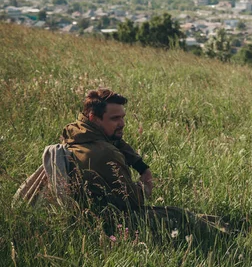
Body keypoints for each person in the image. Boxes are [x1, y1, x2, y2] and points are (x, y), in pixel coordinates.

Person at [62, 88, 226, 242]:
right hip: (114, 223)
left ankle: (227, 226)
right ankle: (229, 239)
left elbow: (116, 141)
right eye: (115, 118)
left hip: (94, 214)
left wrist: (140, 165)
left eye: (122, 117)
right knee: (181, 218)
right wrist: (145, 185)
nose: (122, 123)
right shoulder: (105, 153)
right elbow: (132, 201)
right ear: (94, 118)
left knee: (182, 214)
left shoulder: (78, 134)